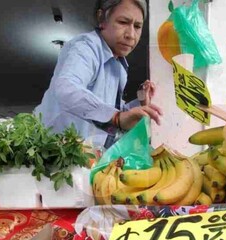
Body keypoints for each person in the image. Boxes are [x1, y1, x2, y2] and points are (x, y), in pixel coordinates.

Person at [34, 0, 163, 151]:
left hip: (87, 157)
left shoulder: (119, 66)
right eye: (123, 22)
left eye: (137, 26)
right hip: (51, 154)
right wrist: (116, 117)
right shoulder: (86, 47)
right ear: (102, 18)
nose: (131, 35)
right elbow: (66, 88)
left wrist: (140, 102)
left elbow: (111, 111)